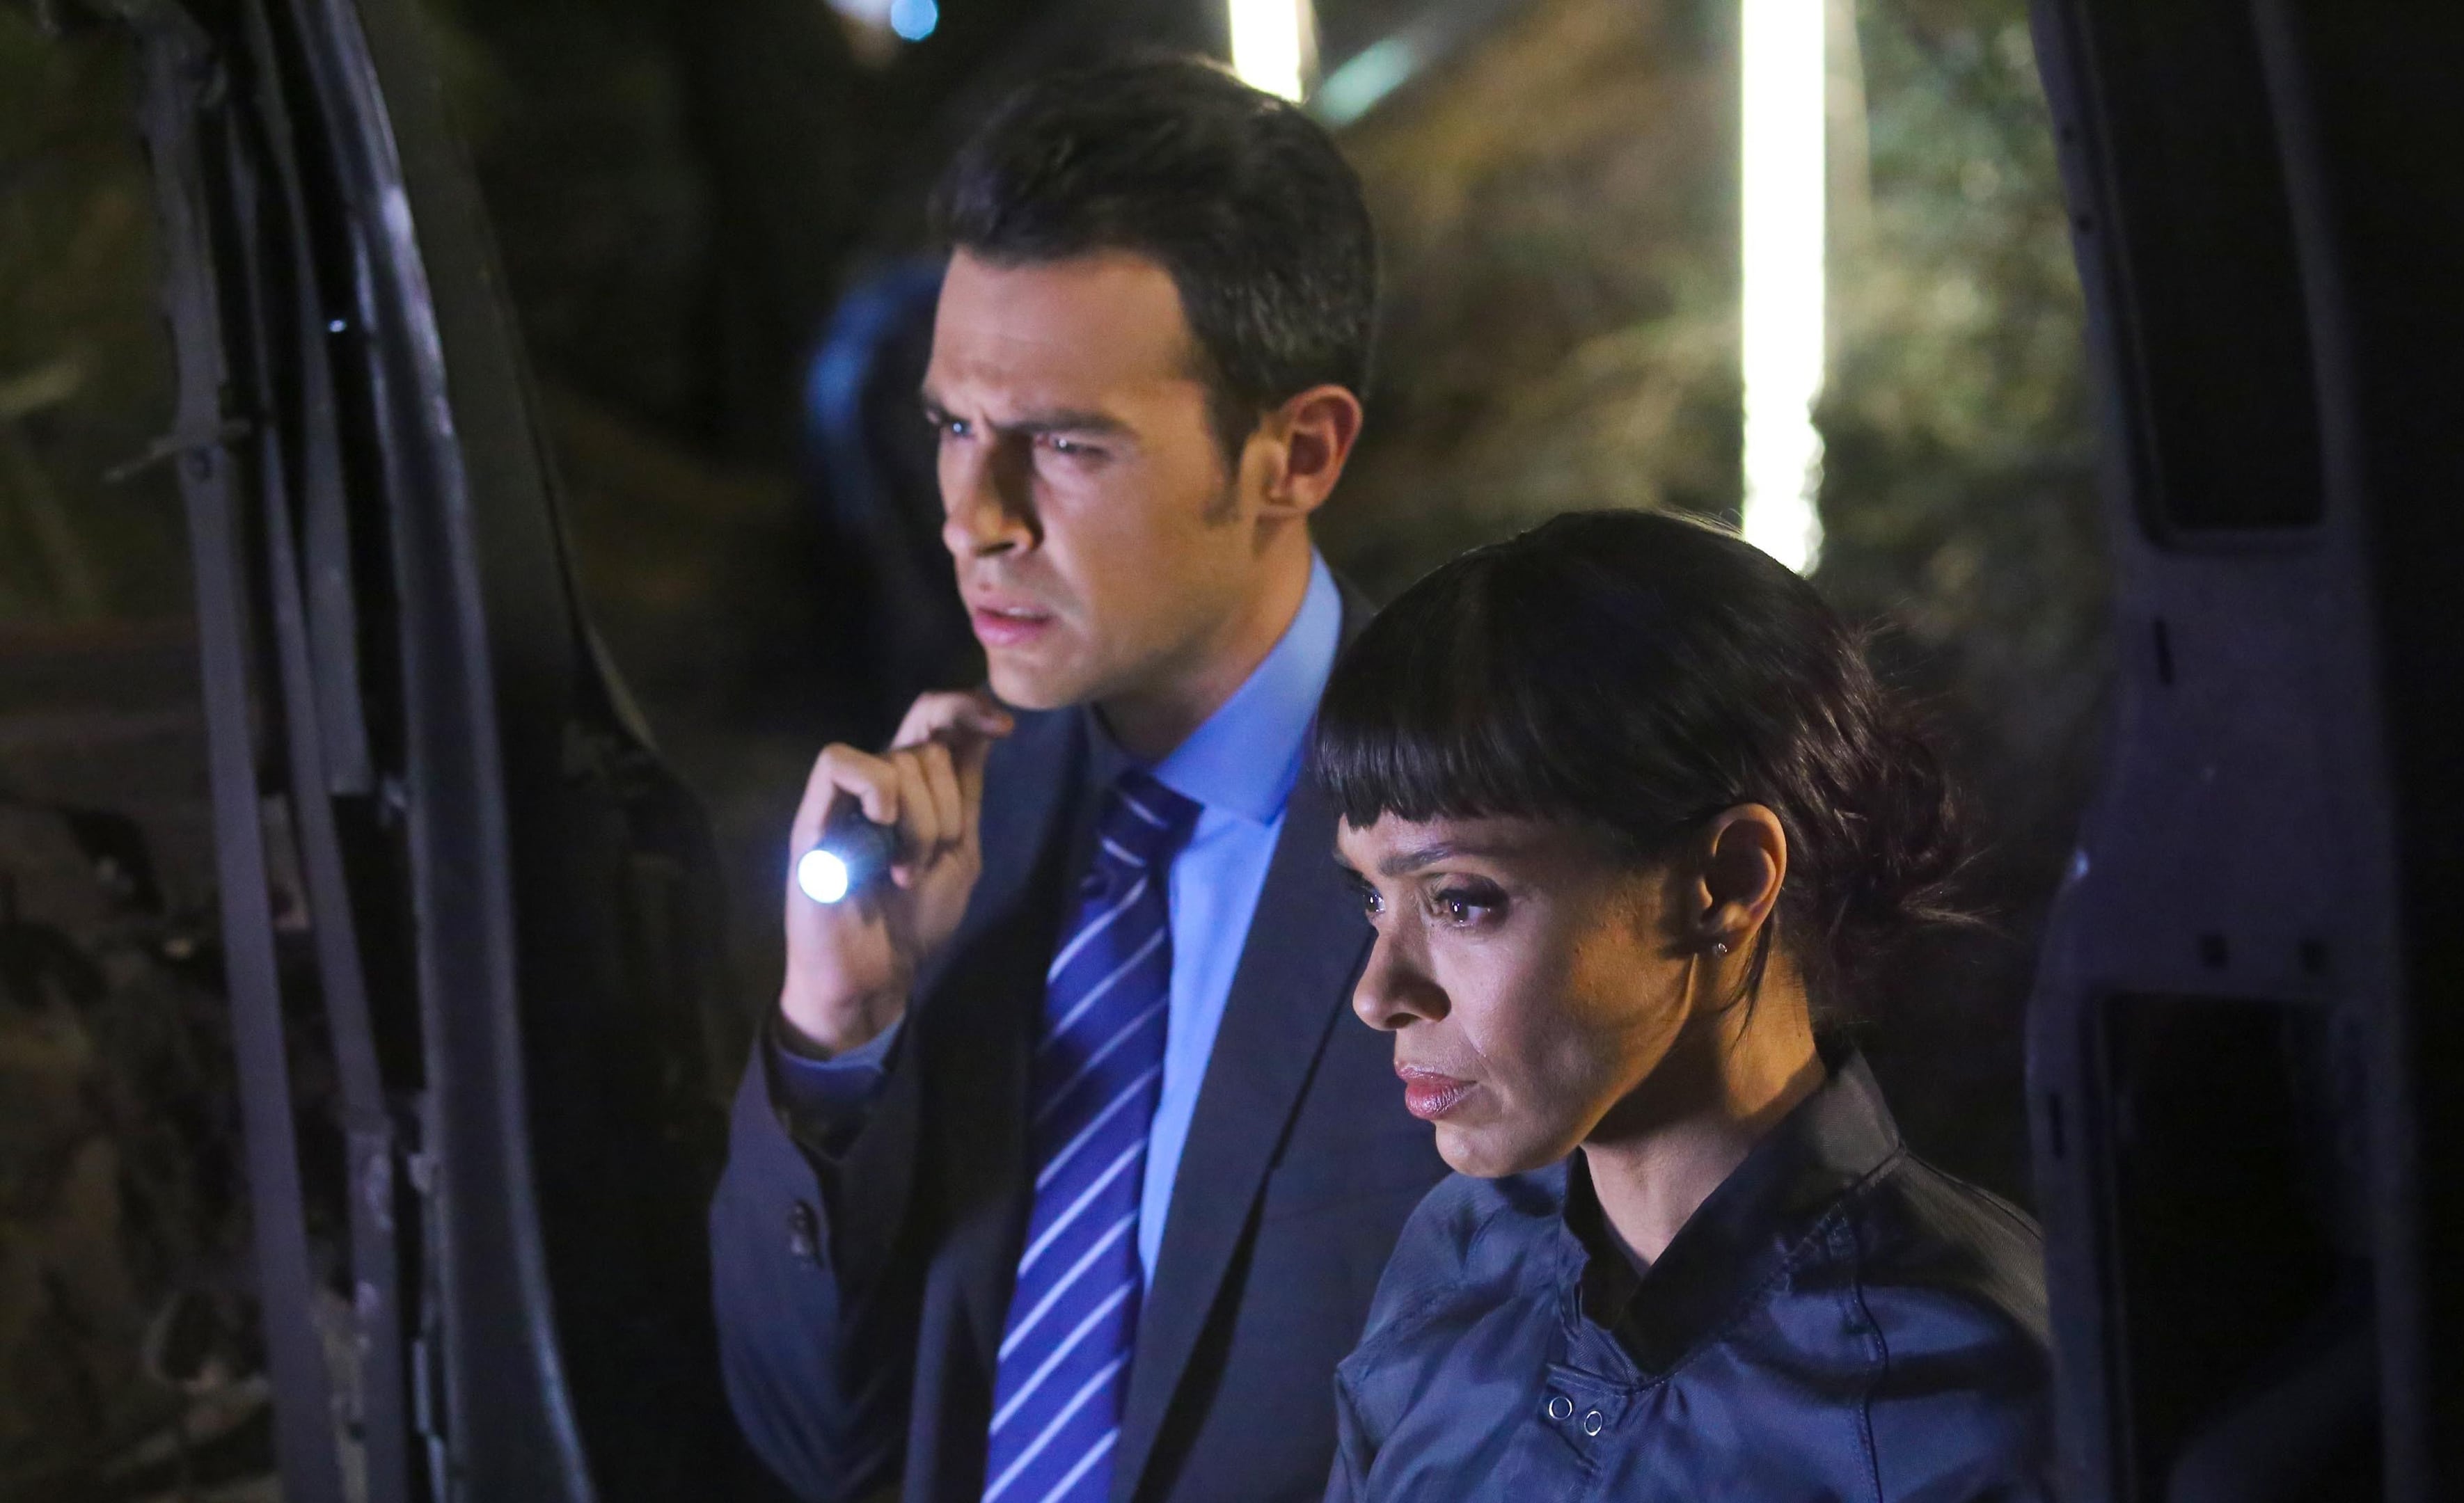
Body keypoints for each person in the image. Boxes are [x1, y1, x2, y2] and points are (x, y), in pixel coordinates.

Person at [709, 56, 1448, 1503]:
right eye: (952, 427)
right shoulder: (950, 836)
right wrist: (835, 1037)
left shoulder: (1485, 853)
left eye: (1062, 443)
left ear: (1298, 453)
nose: (973, 520)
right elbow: (817, 1447)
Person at [1315, 511, 2054, 1501]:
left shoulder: (1957, 1390)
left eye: (1460, 900)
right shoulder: (1461, 1260)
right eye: (1372, 898)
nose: (1378, 994)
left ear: (1727, 882)